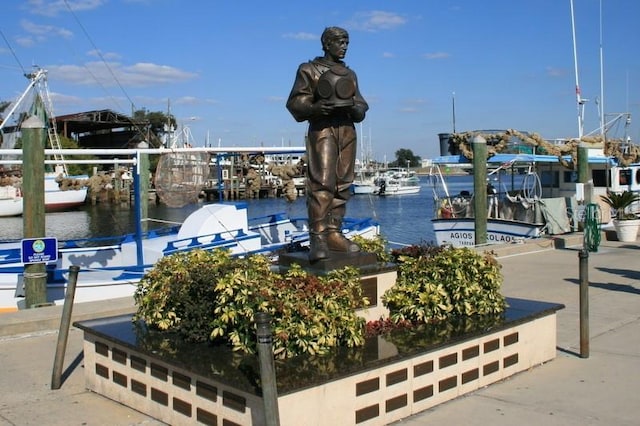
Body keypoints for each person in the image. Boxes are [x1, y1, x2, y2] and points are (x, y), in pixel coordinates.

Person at [286, 26, 369, 261]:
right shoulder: (309, 70)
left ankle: (334, 232)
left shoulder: (348, 74)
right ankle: (318, 237)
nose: (344, 47)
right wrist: (315, 108)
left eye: (346, 43)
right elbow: (295, 102)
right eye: (340, 42)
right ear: (326, 44)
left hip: (346, 130)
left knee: (343, 183)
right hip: (322, 130)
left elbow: (361, 106)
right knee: (322, 183)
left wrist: (354, 107)